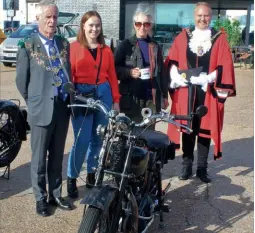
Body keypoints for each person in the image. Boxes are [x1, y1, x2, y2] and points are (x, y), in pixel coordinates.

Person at [165, 2, 236, 183]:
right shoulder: (183, 37)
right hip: (186, 91)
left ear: (210, 17)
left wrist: (209, 78)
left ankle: (202, 169)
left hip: (207, 91)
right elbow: (172, 60)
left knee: (204, 130)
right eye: (199, 16)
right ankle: (186, 167)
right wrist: (176, 75)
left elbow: (225, 64)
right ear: (194, 16)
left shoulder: (219, 38)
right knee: (188, 128)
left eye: (206, 16)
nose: (203, 19)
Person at [16, 0, 72, 216]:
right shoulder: (28, 46)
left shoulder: (63, 44)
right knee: (39, 158)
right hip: (40, 109)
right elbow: (22, 81)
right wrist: (35, 101)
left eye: (55, 17)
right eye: (48, 17)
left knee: (57, 156)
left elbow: (68, 73)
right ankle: (40, 198)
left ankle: (55, 194)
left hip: (61, 108)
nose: (52, 21)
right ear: (38, 18)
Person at [66, 11, 120, 198]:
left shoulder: (106, 49)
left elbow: (112, 74)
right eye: (91, 25)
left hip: (103, 93)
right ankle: (72, 177)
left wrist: (116, 100)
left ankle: (91, 173)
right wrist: (71, 98)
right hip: (82, 96)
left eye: (97, 25)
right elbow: (69, 75)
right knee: (82, 139)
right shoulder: (73, 48)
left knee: (99, 137)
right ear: (83, 26)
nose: (94, 29)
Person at [114, 3, 169, 124]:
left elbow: (162, 74)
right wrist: (129, 72)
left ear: (151, 26)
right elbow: (114, 69)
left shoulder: (155, 46)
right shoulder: (125, 45)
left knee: (148, 137)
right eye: (138, 24)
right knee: (131, 136)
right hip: (132, 98)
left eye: (146, 24)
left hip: (151, 99)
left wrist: (165, 96)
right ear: (134, 25)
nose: (142, 27)